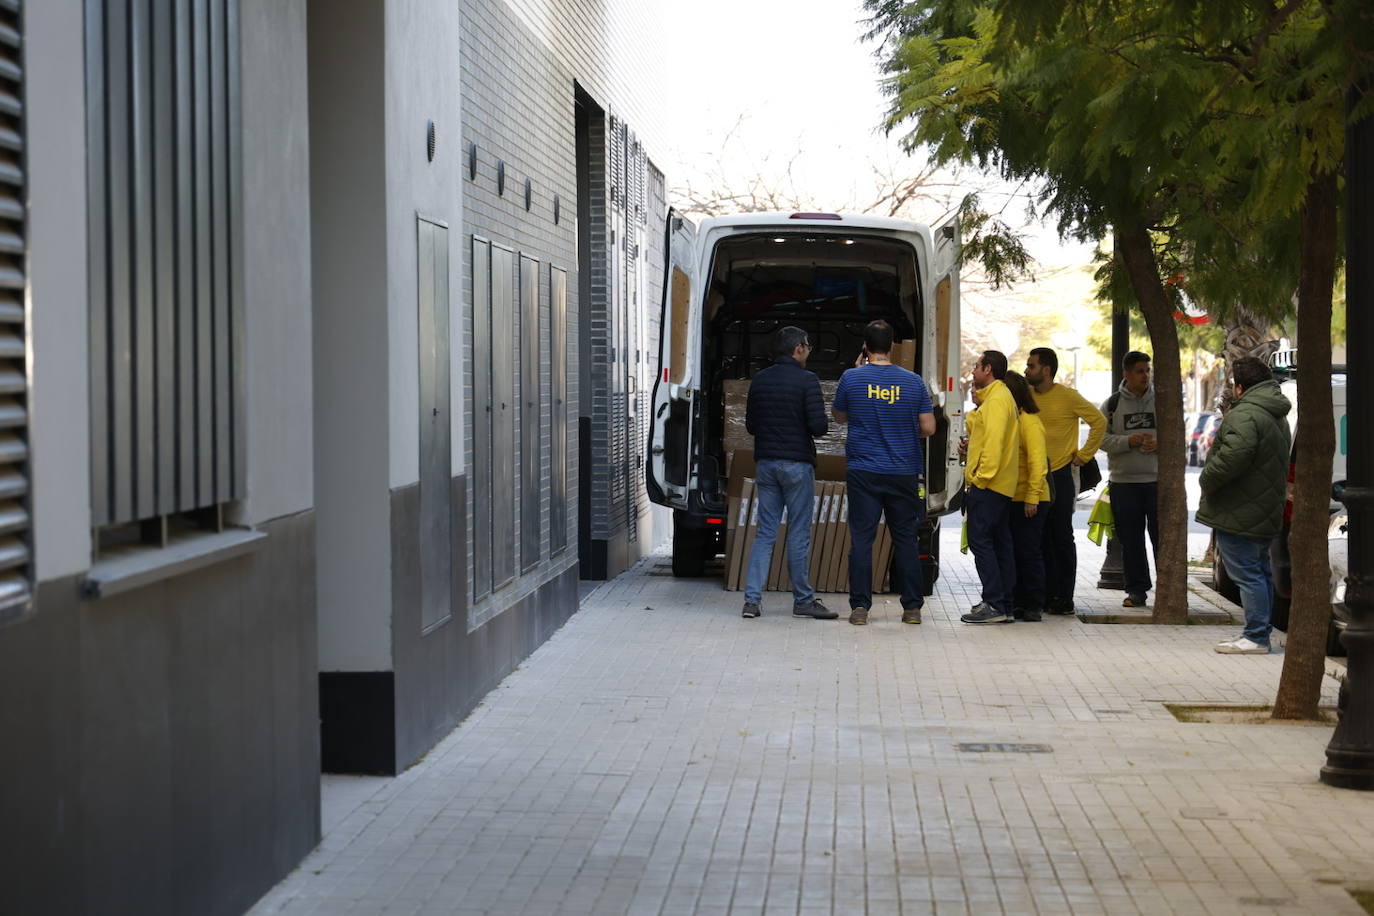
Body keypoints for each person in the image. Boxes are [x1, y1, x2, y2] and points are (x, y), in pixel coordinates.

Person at [832, 320, 936, 626]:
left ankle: (861, 607)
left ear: (865, 346)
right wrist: (903, 428)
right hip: (903, 470)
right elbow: (929, 427)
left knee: (862, 539)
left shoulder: (851, 377)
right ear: (891, 346)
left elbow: (838, 417)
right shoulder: (913, 382)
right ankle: (912, 608)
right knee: (905, 538)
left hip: (864, 470)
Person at [741, 326, 837, 620]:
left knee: (765, 533)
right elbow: (819, 426)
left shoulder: (760, 379)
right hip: (797, 465)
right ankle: (803, 601)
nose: (808, 352)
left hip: (767, 464)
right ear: (798, 349)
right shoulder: (807, 380)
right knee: (798, 533)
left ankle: (752, 601)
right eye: (807, 347)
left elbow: (751, 426)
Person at [1198, 357, 1291, 654]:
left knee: (1248, 573)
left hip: (1239, 509)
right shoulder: (1274, 413)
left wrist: (1207, 478)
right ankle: (1260, 632)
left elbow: (1233, 457)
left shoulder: (1246, 414)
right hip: (1261, 506)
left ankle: (1255, 636)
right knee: (1260, 571)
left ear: (1239, 388)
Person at [1025, 347, 1107, 615]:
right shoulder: (1026, 397)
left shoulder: (1068, 396)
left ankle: (1064, 598)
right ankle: (1045, 596)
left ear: (1046, 370)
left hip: (1060, 475)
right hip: (1033, 475)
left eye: (1031, 366)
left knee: (1060, 538)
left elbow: (1098, 422)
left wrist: (1084, 455)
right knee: (1038, 539)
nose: (1027, 370)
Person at [960, 350, 1020, 624]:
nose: (973, 371)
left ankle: (994, 603)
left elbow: (994, 445)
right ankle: (1004, 605)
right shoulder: (998, 398)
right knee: (1000, 544)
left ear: (988, 369)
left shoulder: (997, 400)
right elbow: (985, 438)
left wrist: (980, 479)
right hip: (1000, 485)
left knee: (981, 542)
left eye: (976, 366)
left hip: (990, 485)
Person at [1101, 351, 1159, 608]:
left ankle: (1168, 589)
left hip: (1157, 482)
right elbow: (1100, 439)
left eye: (1147, 370)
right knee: (1131, 541)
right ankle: (1137, 591)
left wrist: (1160, 442)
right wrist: (1128, 441)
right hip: (1124, 484)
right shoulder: (1112, 404)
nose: (1145, 375)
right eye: (1139, 371)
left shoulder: (1162, 401)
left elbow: (1179, 436)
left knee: (1162, 539)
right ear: (1126, 374)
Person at [1003, 371, 1050, 622]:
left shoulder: (1029, 421)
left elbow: (1037, 462)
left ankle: (1033, 603)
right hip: (1012, 496)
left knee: (1028, 551)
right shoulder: (1012, 418)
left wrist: (1032, 495)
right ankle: (1018, 601)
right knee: (1014, 551)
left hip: (1031, 499)